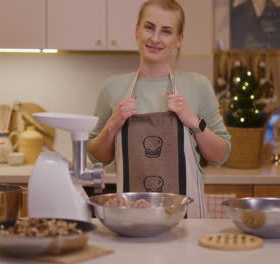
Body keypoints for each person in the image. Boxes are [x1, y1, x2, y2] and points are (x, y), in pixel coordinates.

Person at [88, 0, 230, 218]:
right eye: (149, 27)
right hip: (130, 219)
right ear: (136, 31)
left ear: (179, 40)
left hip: (187, 223)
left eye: (166, 31)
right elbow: (98, 158)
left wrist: (192, 120)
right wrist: (111, 126)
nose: (155, 38)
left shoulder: (198, 85)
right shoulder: (112, 88)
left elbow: (220, 155)